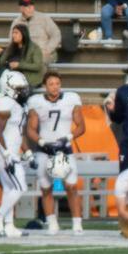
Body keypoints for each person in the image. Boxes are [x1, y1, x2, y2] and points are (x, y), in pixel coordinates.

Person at [26, 69, 87, 235]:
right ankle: (52, 222)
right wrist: (42, 141)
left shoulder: (71, 99)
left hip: (65, 149)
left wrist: (67, 137)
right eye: (51, 84)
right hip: (44, 150)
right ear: (45, 86)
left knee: (71, 186)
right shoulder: (36, 101)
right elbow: (30, 129)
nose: (55, 87)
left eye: (57, 84)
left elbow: (82, 126)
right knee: (46, 188)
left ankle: (77, 223)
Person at [0, 68, 33, 238]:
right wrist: (6, 154)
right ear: (8, 88)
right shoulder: (4, 103)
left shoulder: (19, 105)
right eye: (20, 88)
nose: (24, 91)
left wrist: (28, 153)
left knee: (9, 189)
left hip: (11, 152)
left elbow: (20, 132)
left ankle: (9, 225)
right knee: (20, 187)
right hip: (4, 153)